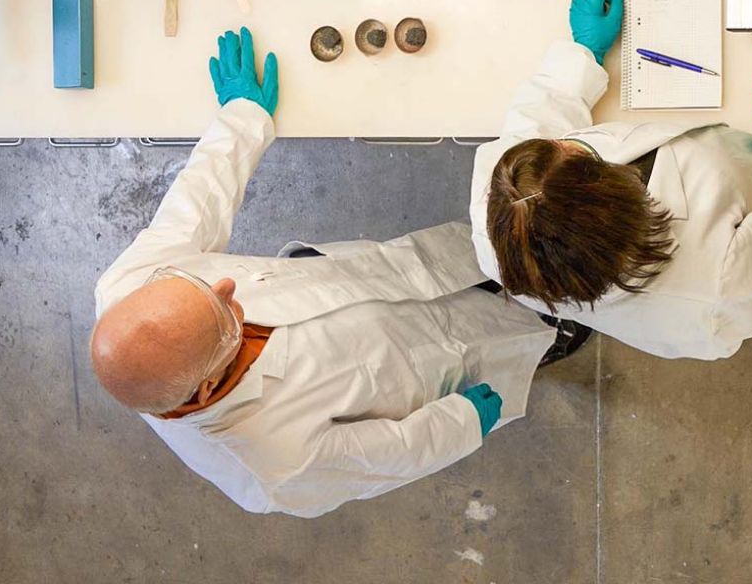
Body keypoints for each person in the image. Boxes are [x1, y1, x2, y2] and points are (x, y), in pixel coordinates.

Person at [92, 28, 555, 518]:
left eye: (203, 286)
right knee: (522, 328)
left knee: (474, 259)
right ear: (207, 387)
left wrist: (241, 118)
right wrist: (460, 422)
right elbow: (388, 454)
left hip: (373, 280)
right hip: (426, 362)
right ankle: (556, 330)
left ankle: (508, 276)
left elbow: (195, 207)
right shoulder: (275, 465)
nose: (228, 286)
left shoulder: (128, 288)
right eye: (225, 317)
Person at [469, 0, 752, 360]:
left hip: (727, 173)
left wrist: (582, 52)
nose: (567, 141)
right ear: (608, 199)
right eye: (579, 154)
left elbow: (534, 126)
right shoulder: (716, 283)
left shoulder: (507, 204)